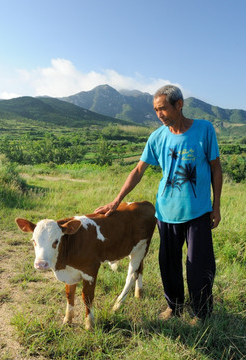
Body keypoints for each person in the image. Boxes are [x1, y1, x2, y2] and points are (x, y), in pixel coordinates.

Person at [95, 84, 222, 320]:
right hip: (166, 212)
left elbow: (216, 168)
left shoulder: (204, 129)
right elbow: (138, 170)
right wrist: (116, 201)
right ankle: (174, 306)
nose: (159, 114)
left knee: (199, 266)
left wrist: (216, 206)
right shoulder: (157, 137)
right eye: (155, 110)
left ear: (179, 105)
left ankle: (201, 313)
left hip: (199, 211)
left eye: (162, 108)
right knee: (168, 264)